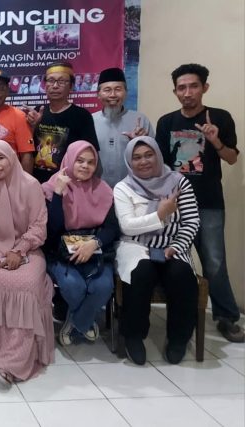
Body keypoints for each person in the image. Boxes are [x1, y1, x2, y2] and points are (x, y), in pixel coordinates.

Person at [155, 63, 242, 342]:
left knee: (214, 261)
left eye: (193, 86)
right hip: (175, 204)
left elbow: (232, 158)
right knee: (172, 259)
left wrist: (215, 141)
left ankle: (226, 317)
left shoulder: (220, 118)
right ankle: (181, 314)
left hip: (208, 203)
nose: (187, 92)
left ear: (205, 87)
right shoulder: (166, 122)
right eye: (181, 88)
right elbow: (160, 166)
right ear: (175, 91)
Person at [0, 140, 54, 387]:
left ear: (12, 158)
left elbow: (39, 227)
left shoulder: (31, 185)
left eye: (0, 158)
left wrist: (19, 250)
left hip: (29, 246)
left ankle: (14, 360)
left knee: (26, 284)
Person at [114, 137, 200, 364]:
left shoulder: (179, 182)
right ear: (129, 162)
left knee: (181, 274)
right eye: (136, 157)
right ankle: (133, 336)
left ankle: (179, 339)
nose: (143, 161)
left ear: (158, 155)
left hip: (173, 244)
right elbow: (127, 226)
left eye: (148, 155)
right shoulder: (123, 187)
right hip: (137, 245)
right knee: (141, 273)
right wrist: (161, 214)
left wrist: (177, 246)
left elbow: (191, 221)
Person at [41, 141, 119, 346]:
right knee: (73, 286)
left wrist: (94, 243)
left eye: (91, 162)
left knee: (103, 286)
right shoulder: (50, 187)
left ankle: (76, 323)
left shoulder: (103, 190)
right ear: (69, 160)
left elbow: (112, 228)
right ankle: (86, 322)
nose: (85, 166)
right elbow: (52, 229)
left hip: (94, 250)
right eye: (80, 160)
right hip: (60, 252)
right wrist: (58, 194)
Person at [26, 62, 99, 183]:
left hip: (68, 183)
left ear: (71, 86)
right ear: (45, 85)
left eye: (61, 81)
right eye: (51, 80)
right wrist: (32, 127)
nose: (55, 86)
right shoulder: (38, 111)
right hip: (37, 182)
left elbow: (91, 153)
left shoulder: (82, 116)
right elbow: (27, 146)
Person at [92, 67, 154, 187]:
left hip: (133, 189)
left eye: (118, 89)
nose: (113, 95)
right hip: (97, 190)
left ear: (125, 93)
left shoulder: (140, 120)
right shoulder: (90, 121)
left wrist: (141, 142)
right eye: (107, 90)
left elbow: (154, 158)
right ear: (98, 94)